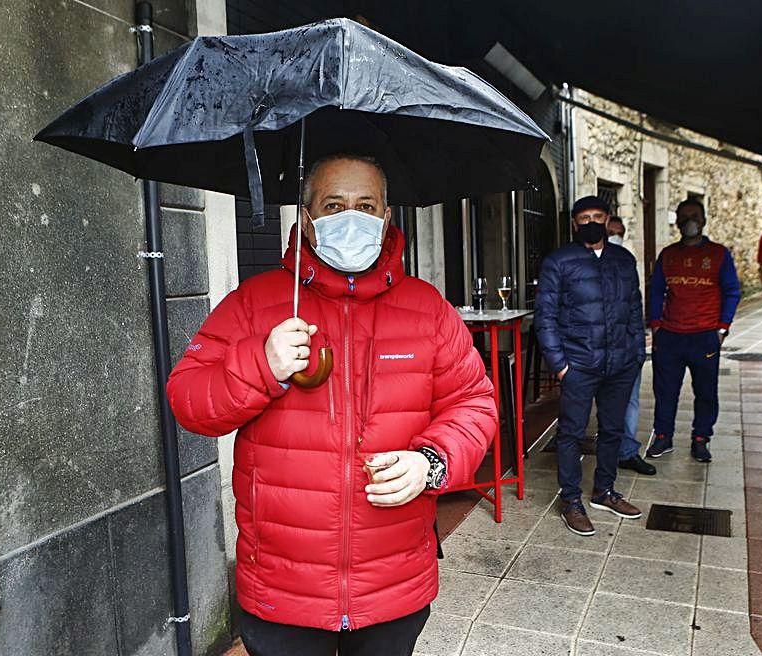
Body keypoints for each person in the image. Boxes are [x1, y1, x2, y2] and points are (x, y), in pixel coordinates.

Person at [167, 154, 497, 656]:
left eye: (366, 205)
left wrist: (432, 462)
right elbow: (189, 401)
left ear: (387, 218)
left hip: (393, 583)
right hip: (282, 587)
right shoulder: (255, 304)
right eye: (334, 205)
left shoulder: (428, 309)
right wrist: (261, 363)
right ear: (307, 219)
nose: (351, 218)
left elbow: (474, 403)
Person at [535, 196, 645, 537]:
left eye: (597, 216)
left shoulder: (624, 260)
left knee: (612, 430)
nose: (591, 222)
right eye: (584, 218)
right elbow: (546, 316)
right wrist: (560, 364)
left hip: (621, 364)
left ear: (608, 219)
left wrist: (637, 353)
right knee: (571, 433)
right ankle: (571, 500)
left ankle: (604, 491)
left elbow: (634, 308)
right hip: (579, 364)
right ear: (574, 223)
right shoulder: (559, 261)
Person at [646, 199, 741, 463]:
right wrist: (656, 325)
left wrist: (722, 328)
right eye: (685, 216)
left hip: (704, 336)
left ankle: (701, 439)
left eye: (695, 216)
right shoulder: (668, 255)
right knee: (665, 390)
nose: (690, 221)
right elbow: (656, 292)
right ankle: (663, 437)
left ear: (704, 219)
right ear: (676, 221)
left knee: (706, 391)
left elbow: (732, 291)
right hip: (670, 336)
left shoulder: (719, 254)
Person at [606, 216, 656, 476]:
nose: (616, 236)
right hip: (594, 352)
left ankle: (627, 452)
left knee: (630, 401)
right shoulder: (580, 263)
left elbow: (635, 305)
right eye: (611, 232)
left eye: (620, 232)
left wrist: (638, 346)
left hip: (627, 347)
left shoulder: (627, 262)